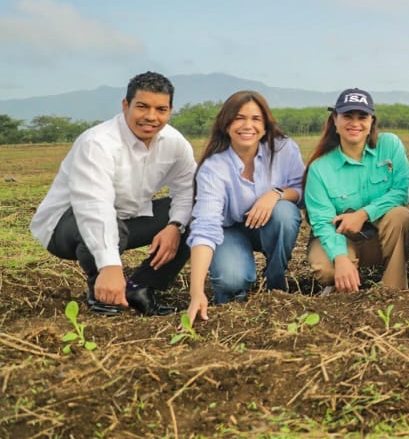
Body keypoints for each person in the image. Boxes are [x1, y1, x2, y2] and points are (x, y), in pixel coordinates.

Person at [30, 71, 194, 316]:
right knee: (109, 225)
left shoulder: (174, 142)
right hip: (65, 226)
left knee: (197, 213)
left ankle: (140, 287)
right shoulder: (97, 143)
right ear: (126, 105)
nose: (151, 117)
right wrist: (110, 266)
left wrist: (175, 226)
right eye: (142, 107)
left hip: (127, 219)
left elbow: (187, 188)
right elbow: (93, 207)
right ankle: (101, 291)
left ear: (170, 111)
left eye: (161, 109)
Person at [185, 91, 304, 322]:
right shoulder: (214, 167)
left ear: (265, 126)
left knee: (285, 213)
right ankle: (229, 304)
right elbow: (205, 227)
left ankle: (275, 284)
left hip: (268, 225)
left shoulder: (284, 149)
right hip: (229, 230)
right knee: (231, 278)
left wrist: (275, 194)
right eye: (239, 118)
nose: (248, 125)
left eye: (256, 119)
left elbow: (301, 190)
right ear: (226, 124)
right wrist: (196, 291)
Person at [303, 89, 409, 293]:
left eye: (362, 117)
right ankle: (344, 285)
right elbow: (322, 222)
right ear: (335, 120)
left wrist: (363, 214)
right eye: (347, 116)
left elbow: (402, 190)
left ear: (372, 121)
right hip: (340, 237)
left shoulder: (390, 145)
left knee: (401, 215)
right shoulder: (319, 168)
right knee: (326, 268)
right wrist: (340, 258)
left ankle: (394, 292)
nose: (355, 123)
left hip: (381, 237)